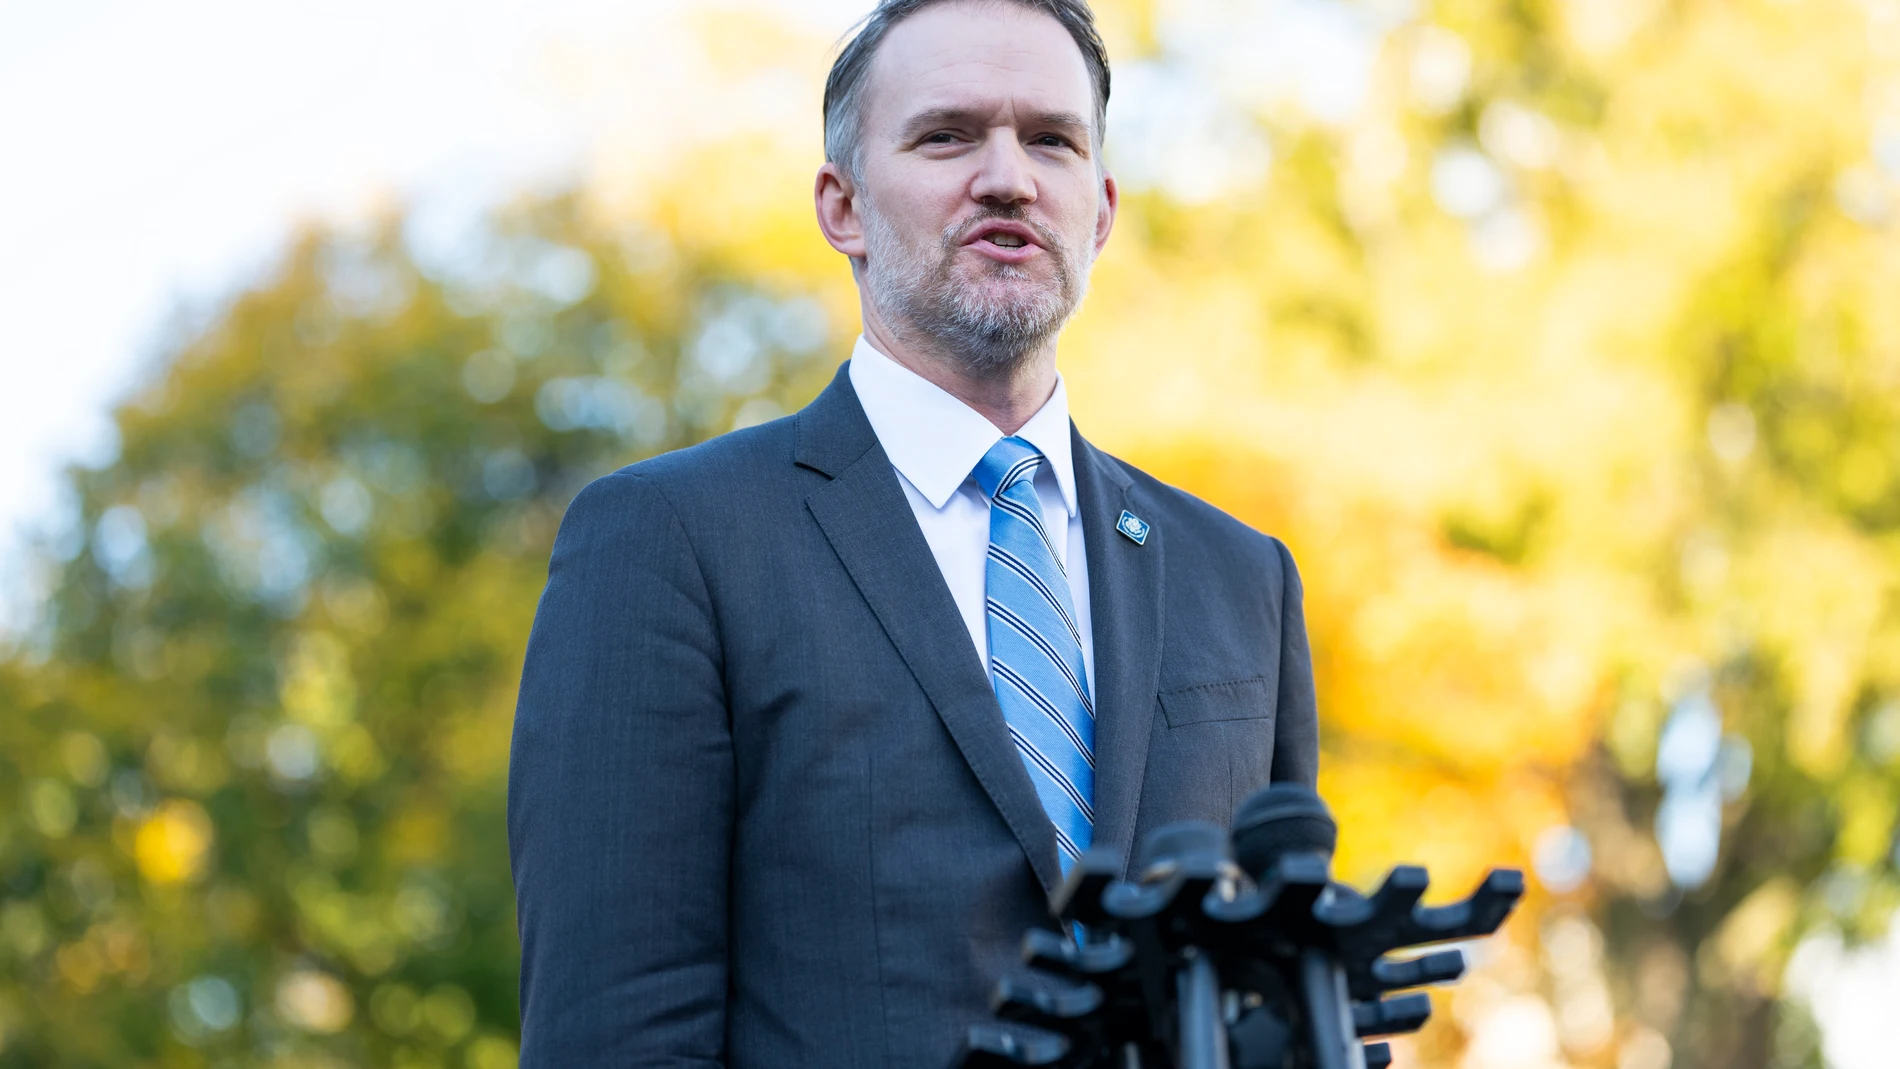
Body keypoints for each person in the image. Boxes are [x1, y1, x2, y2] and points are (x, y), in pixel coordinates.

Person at [506, 0, 1319, 1064]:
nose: (1008, 178)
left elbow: (1289, 996)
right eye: (946, 136)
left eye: (1052, 141)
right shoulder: (670, 543)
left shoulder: (1240, 575)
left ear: (1102, 209)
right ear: (841, 205)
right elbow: (615, 1038)